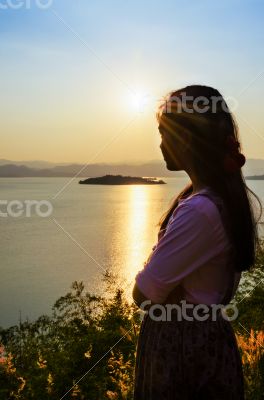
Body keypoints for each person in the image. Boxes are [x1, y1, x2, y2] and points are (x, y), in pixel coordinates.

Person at [132, 85, 263, 399]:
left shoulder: (199, 209)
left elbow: (145, 294)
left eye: (164, 133)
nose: (160, 143)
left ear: (186, 138)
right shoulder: (214, 198)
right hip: (203, 341)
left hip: (181, 348)